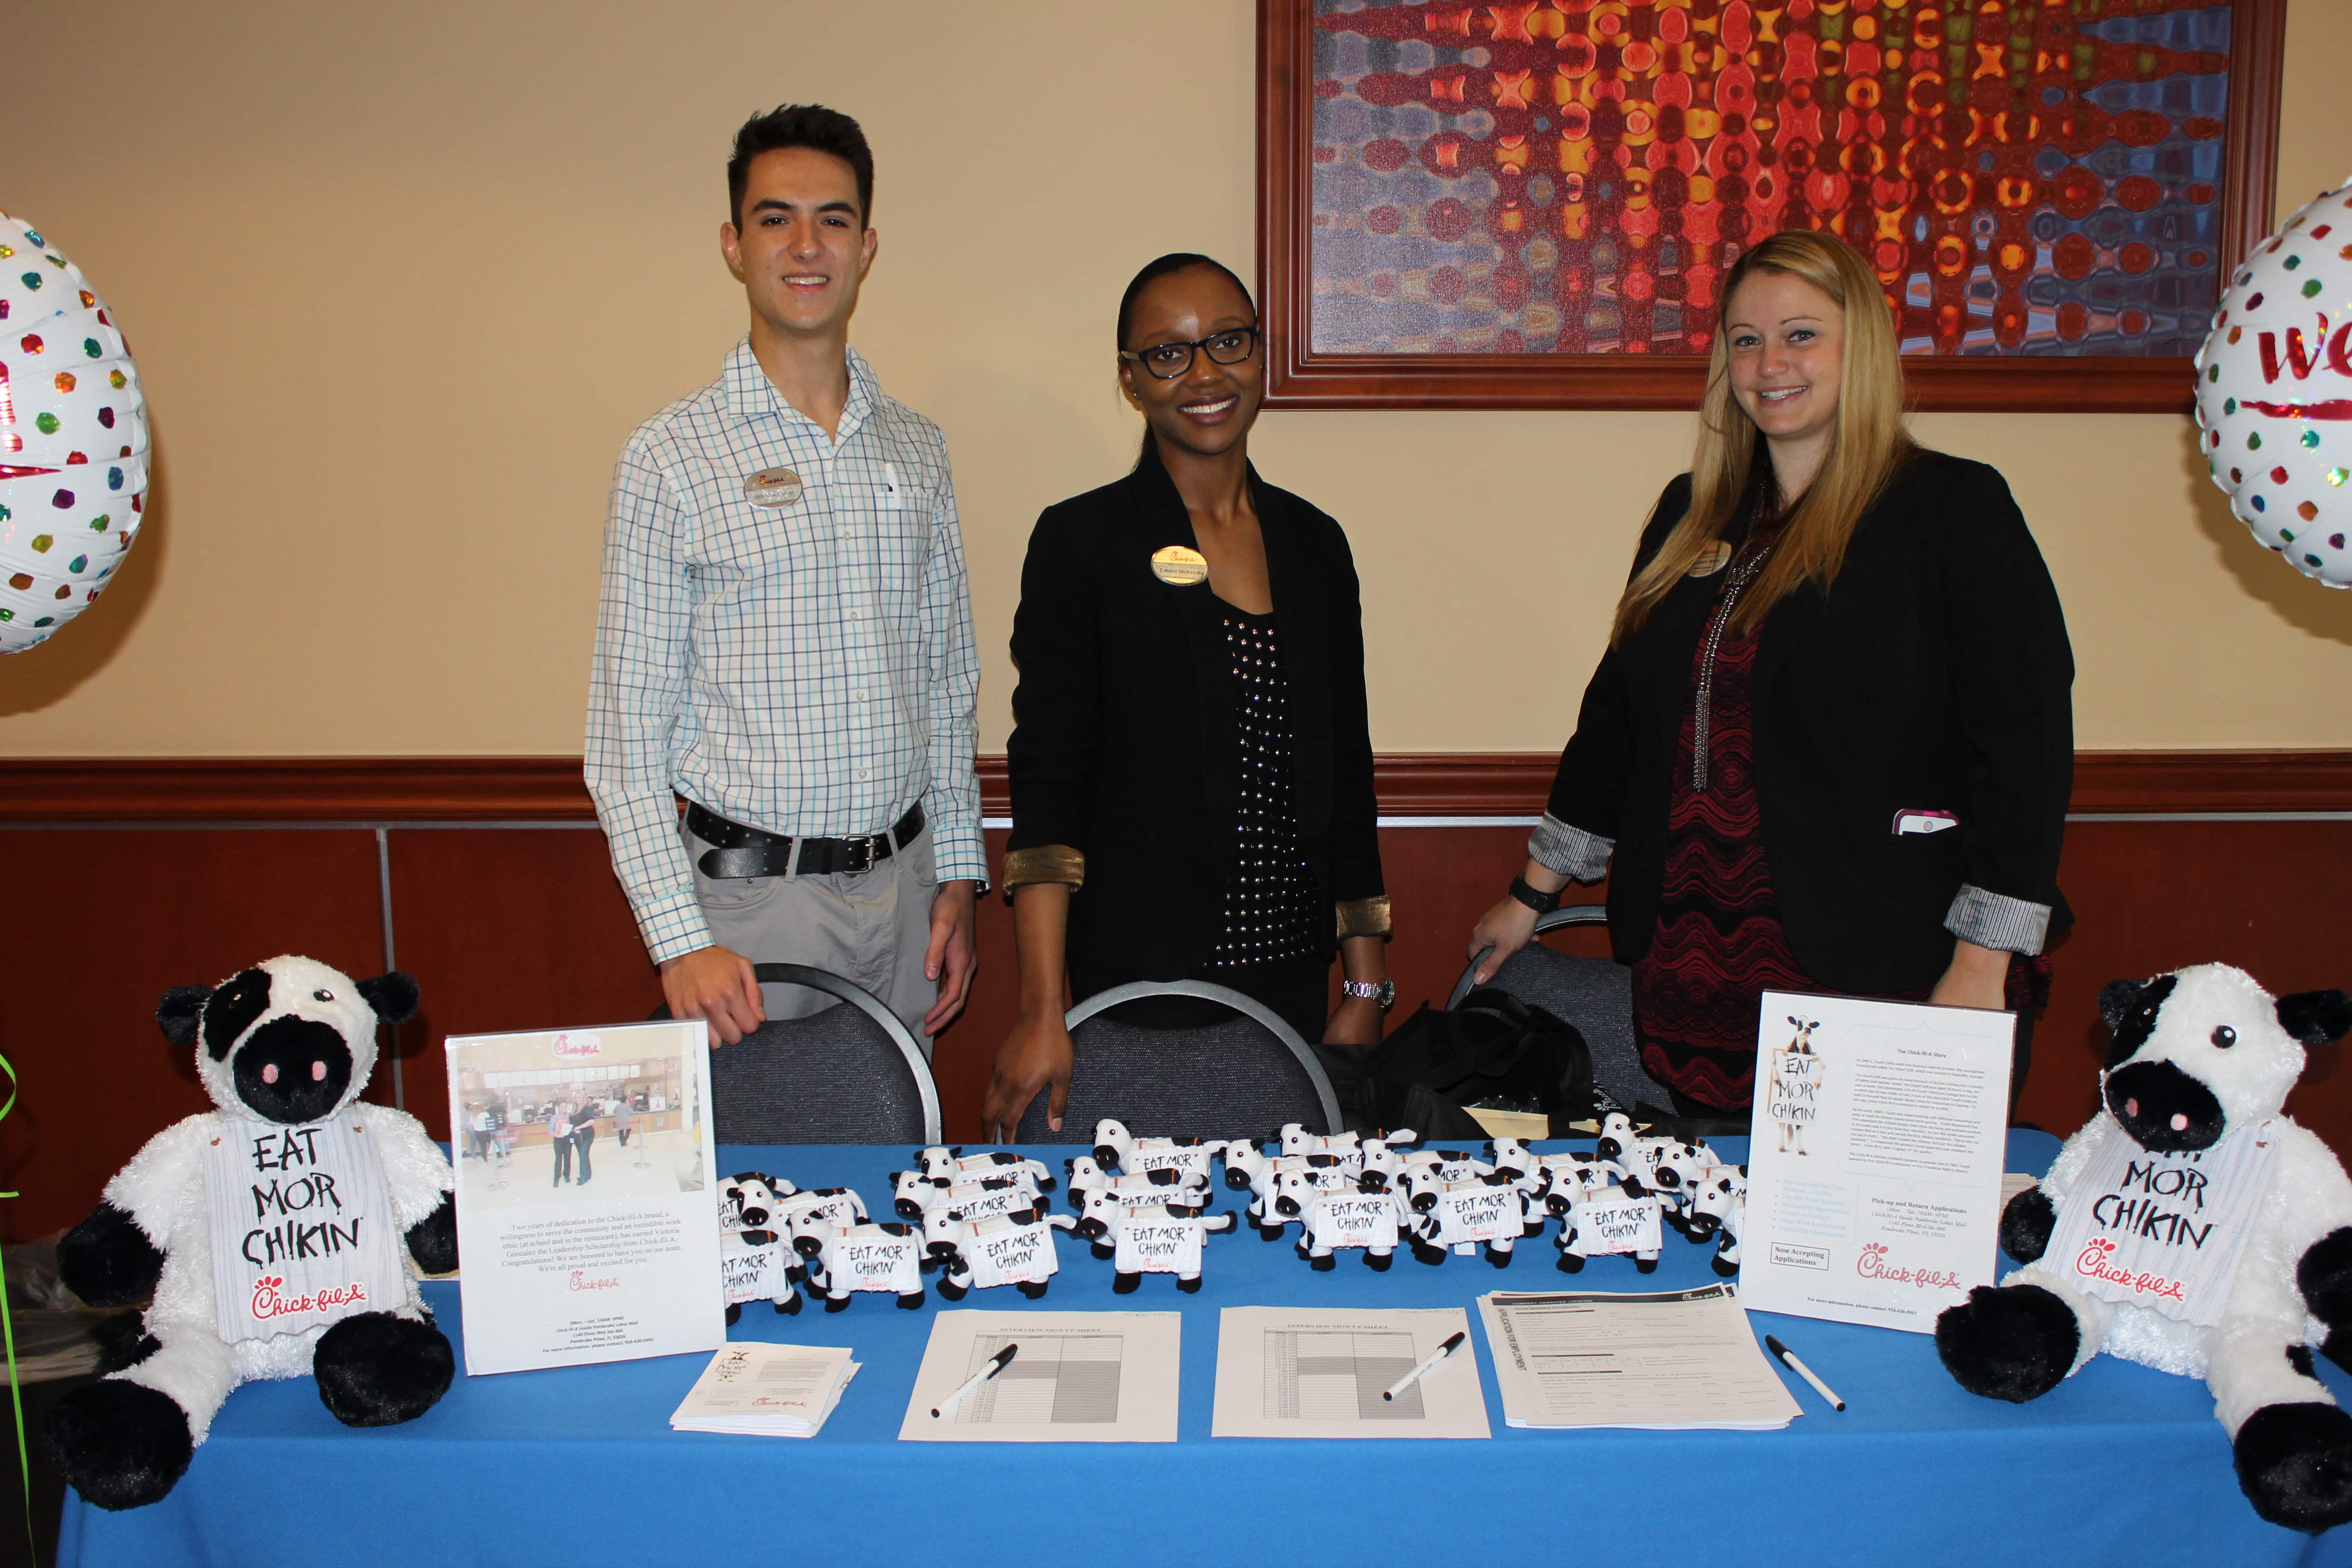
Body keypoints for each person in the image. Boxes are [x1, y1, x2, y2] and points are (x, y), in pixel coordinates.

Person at [1468, 230, 2073, 1117]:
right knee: (1723, 1231)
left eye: (1800, 334)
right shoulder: (1691, 515)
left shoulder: (1950, 509)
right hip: (1699, 967)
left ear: (1859, 345)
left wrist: (1983, 962)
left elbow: (2024, 748)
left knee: (1865, 1236)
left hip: (1885, 962)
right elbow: (1619, 723)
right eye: (1745, 340)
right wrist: (1532, 894)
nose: (1769, 364)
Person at [587, 103, 985, 1048]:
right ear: (734, 244)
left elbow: (947, 683)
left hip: (905, 900)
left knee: (900, 1175)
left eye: (834, 219)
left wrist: (959, 879)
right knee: (758, 1188)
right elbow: (622, 741)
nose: (806, 245)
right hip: (745, 915)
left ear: (868, 244)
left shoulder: (917, 449)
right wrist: (678, 939)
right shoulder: (670, 456)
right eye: (776, 219)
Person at [982, 253, 1392, 1138]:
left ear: (1261, 353)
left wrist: (1364, 986)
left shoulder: (1316, 546)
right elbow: (1048, 791)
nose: (1204, 374)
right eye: (1167, 354)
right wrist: (1041, 1008)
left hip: (1288, 989)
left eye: (1227, 342)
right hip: (1136, 993)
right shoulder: (1083, 542)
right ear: (1130, 381)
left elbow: (1347, 780)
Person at [572, 1098, 598, 1186]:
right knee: (584, 1155)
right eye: (577, 1097)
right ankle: (587, 1174)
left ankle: (584, 1177)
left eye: (580, 1097)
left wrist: (579, 1127)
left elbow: (592, 1121)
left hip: (587, 1135)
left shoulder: (587, 1108)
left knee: (583, 1155)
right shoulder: (574, 1109)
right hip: (578, 1137)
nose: (578, 1099)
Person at [547, 1102, 574, 1188]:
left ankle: (566, 1175)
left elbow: (573, 1126)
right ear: (558, 1108)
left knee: (567, 1158)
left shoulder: (570, 1116)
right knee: (559, 1159)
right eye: (562, 1107)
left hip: (567, 1139)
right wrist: (557, 1135)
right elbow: (551, 1131)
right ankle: (556, 1178)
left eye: (565, 1106)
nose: (564, 1108)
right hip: (558, 1139)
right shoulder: (554, 1118)